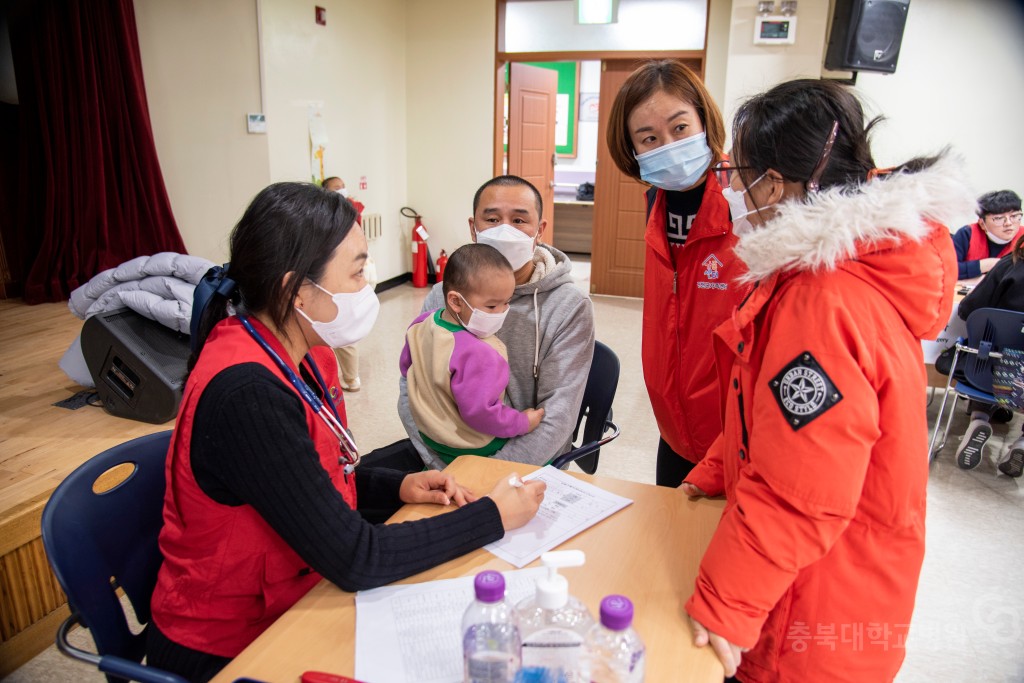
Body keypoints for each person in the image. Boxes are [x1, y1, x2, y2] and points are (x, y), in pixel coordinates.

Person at [147, 183, 546, 682]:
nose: (369, 284)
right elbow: (356, 558)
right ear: (298, 289)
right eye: (358, 270)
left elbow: (311, 479)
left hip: (299, 595)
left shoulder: (304, 351)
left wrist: (394, 486)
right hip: (231, 646)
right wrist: (492, 516)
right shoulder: (247, 393)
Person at [678, 79, 974, 681]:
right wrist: (714, 469)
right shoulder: (839, 268)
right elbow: (774, 416)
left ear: (777, 184)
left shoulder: (821, 298)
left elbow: (801, 490)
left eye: (738, 170)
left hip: (809, 616)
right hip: (837, 578)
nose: (732, 188)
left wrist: (726, 603)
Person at [605, 59, 750, 487]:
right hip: (673, 431)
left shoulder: (748, 202)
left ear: (704, 121)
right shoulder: (656, 202)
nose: (667, 145)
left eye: (680, 128)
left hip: (736, 442)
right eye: (649, 138)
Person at [398, 175, 595, 469]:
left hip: (526, 468)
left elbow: (556, 418)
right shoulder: (445, 295)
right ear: (473, 228)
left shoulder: (569, 307)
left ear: (539, 230)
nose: (504, 230)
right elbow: (412, 388)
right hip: (446, 460)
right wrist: (442, 468)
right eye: (492, 219)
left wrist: (482, 476)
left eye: (518, 221)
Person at [401, 243, 545, 463]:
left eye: (507, 302)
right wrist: (522, 422)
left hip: (429, 433)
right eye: (491, 306)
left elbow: (406, 366)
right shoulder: (480, 353)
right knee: (542, 465)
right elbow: (480, 414)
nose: (503, 312)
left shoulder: (423, 322)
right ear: (456, 301)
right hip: (470, 444)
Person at [953, 235, 1024, 477]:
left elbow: (968, 310)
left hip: (989, 374)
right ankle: (1022, 443)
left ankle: (979, 420)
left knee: (987, 347)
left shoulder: (1010, 264)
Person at [321, 175, 364, 391]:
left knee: (344, 330)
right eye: (336, 188)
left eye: (343, 187)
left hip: (347, 277)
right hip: (328, 279)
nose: (342, 190)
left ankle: (350, 378)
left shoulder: (351, 211)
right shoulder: (321, 218)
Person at [950, 189, 1023, 280]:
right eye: (999, 218)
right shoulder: (967, 234)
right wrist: (985, 265)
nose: (1008, 223)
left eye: (1015, 216)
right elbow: (947, 269)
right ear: (982, 223)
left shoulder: (1022, 237)